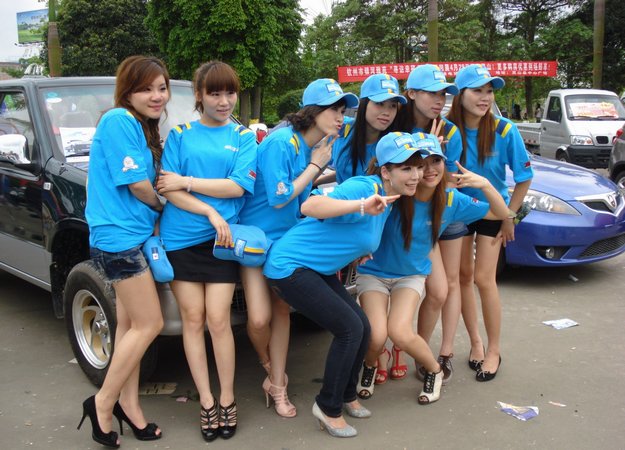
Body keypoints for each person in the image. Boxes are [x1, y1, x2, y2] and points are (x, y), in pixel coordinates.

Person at [264, 131, 422, 438]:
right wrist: (361, 205)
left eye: (417, 167)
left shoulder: (390, 198)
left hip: (316, 268)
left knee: (362, 327)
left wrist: (357, 249)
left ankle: (347, 395)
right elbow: (310, 206)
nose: (415, 175)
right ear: (386, 171)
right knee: (349, 329)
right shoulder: (364, 187)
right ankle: (328, 407)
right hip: (289, 267)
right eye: (406, 168)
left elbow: (350, 231)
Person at [355, 133, 510, 404]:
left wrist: (485, 184)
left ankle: (434, 370)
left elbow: (500, 213)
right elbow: (355, 217)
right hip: (374, 273)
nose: (428, 169)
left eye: (435, 160)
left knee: (400, 331)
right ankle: (370, 365)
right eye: (420, 163)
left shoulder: (450, 200)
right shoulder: (396, 192)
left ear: (444, 163)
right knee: (376, 337)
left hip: (410, 276)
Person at [238, 78, 358, 418]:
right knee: (258, 319)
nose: (340, 117)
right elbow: (279, 198)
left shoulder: (312, 147)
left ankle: (278, 384)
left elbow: (303, 199)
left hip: (287, 241)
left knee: (281, 310)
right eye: (334, 110)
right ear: (313, 111)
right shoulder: (282, 142)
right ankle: (267, 363)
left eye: (343, 110)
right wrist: (316, 166)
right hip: (257, 239)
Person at [156, 61, 257, 441]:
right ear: (199, 95)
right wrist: (210, 210)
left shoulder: (244, 137)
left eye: (230, 92)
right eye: (214, 93)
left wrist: (188, 181)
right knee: (193, 319)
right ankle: (206, 401)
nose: (224, 101)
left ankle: (227, 397)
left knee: (218, 320)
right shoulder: (180, 135)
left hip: (221, 242)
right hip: (181, 239)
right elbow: (168, 189)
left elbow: (237, 186)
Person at [80, 55, 169, 448]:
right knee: (150, 324)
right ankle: (102, 402)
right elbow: (138, 185)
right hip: (119, 240)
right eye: (146, 88)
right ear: (127, 92)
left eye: (161, 88)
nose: (157, 96)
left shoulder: (140, 125)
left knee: (130, 327)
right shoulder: (118, 120)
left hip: (130, 236)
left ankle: (129, 407)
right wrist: (164, 208)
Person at [445, 64, 533, 381]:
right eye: (478, 90)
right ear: (460, 94)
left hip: (493, 212)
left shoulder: (504, 129)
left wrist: (510, 216)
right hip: (458, 210)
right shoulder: (446, 130)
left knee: (484, 279)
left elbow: (524, 177)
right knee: (463, 277)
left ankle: (494, 350)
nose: (485, 97)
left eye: (489, 91)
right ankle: (476, 343)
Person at [395, 63, 464, 385]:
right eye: (432, 93)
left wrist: (433, 158)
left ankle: (419, 352)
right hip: (394, 216)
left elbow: (450, 179)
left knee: (439, 290)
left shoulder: (450, 132)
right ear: (411, 93)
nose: (439, 100)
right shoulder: (394, 124)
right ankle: (383, 352)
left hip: (430, 218)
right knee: (383, 284)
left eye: (444, 94)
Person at [332, 73, 406, 184]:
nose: (387, 112)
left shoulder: (395, 146)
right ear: (364, 104)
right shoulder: (342, 128)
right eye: (380, 103)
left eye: (393, 106)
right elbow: (346, 171)